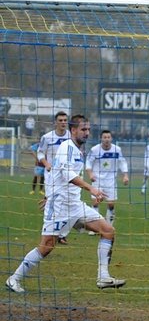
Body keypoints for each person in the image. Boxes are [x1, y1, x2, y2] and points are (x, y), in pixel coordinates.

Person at [5, 115, 126, 293]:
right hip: (60, 207)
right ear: (73, 130)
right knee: (46, 247)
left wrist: (50, 194)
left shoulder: (78, 150)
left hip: (75, 205)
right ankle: (13, 279)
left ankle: (103, 277)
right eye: (83, 130)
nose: (87, 133)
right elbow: (66, 173)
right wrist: (90, 189)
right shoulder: (66, 148)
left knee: (108, 231)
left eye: (88, 130)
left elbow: (58, 174)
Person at [85, 130, 130, 235]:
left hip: (111, 181)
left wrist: (125, 175)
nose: (106, 139)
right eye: (104, 137)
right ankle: (94, 228)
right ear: (101, 139)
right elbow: (88, 162)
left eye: (108, 137)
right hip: (97, 179)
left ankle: (108, 226)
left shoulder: (117, 149)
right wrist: (90, 174)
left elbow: (122, 162)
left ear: (111, 138)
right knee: (96, 202)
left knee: (111, 204)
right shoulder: (95, 150)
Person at [37, 111, 70, 244]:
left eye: (65, 120)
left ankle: (61, 234)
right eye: (60, 120)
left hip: (67, 175)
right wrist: (46, 163)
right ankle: (49, 232)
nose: (63, 122)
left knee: (67, 203)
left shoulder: (71, 136)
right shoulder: (47, 137)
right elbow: (40, 153)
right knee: (51, 203)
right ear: (55, 122)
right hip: (51, 175)